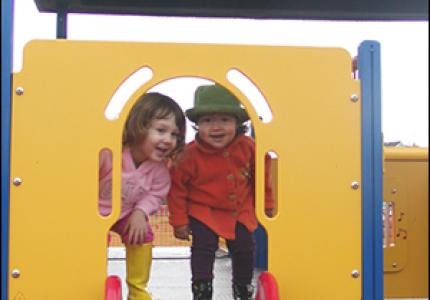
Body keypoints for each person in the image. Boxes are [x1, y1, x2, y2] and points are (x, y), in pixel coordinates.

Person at [167, 84, 275, 300]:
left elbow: (263, 177)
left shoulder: (248, 146)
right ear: (198, 125)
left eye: (225, 120)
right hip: (203, 211)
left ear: (237, 123)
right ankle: (202, 290)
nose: (216, 127)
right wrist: (179, 221)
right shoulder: (189, 155)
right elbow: (176, 189)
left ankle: (242, 289)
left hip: (239, 210)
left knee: (245, 248)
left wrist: (267, 205)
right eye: (208, 121)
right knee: (203, 247)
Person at [99, 92, 186, 300]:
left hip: (126, 213)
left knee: (142, 233)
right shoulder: (110, 154)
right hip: (95, 213)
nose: (168, 140)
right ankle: (92, 279)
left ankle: (137, 290)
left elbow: (156, 195)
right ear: (139, 126)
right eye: (161, 130)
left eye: (174, 135)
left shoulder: (160, 170)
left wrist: (141, 212)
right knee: (93, 238)